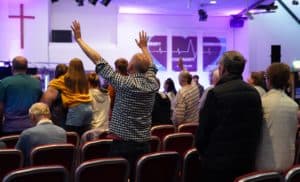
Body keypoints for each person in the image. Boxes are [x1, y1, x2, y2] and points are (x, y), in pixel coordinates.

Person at [71, 20, 159, 181]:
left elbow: (98, 59)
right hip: (145, 143)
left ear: (130, 69)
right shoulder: (153, 82)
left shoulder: (124, 82)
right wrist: (145, 47)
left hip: (123, 145)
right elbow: (151, 65)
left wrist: (79, 40)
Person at [195, 51, 263, 182]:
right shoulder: (254, 93)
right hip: (246, 162)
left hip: (218, 165)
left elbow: (203, 134)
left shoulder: (215, 94)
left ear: (222, 69)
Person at [256, 63, 298, 171]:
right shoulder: (294, 105)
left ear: (268, 80)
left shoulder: (262, 102)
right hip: (289, 166)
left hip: (264, 166)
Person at [42, 58, 92, 136]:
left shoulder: (60, 81)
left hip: (73, 111)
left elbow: (46, 101)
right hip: (88, 108)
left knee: (71, 137)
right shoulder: (84, 81)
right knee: (84, 137)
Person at [0, 56, 42, 135]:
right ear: (26, 68)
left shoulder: (4, 83)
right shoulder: (36, 83)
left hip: (10, 128)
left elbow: (0, 107)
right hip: (31, 128)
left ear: (12, 68)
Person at [172, 58, 200, 126]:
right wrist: (182, 67)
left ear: (182, 80)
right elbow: (189, 76)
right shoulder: (195, 87)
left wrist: (173, 122)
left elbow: (179, 118)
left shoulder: (181, 93)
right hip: (195, 125)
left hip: (184, 128)